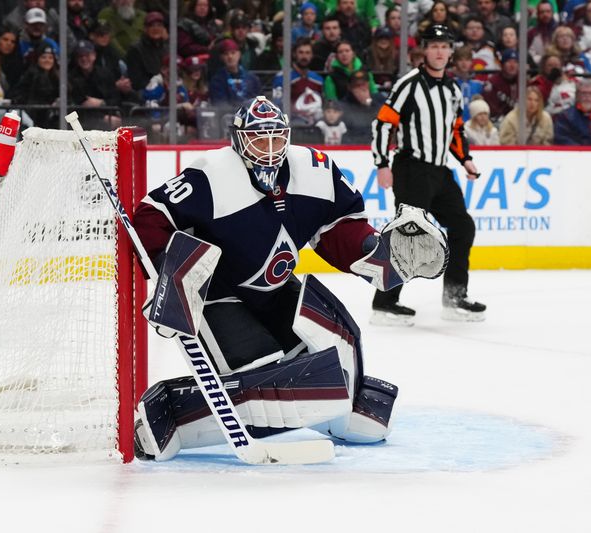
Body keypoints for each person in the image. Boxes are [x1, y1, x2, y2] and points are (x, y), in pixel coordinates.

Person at [131, 95, 447, 461]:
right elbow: (151, 218)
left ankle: (339, 407)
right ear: (237, 138)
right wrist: (172, 278)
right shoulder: (211, 174)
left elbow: (337, 227)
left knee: (334, 358)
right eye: (258, 138)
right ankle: (168, 414)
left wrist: (373, 250)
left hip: (277, 290)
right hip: (219, 296)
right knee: (265, 383)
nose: (269, 149)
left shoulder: (314, 167)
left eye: (276, 138)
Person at [370, 24, 485, 324]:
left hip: (439, 171)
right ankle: (384, 304)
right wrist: (382, 163)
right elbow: (384, 123)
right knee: (407, 234)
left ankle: (454, 296)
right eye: (433, 46)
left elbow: (455, 130)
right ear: (424, 50)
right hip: (411, 168)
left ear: (450, 51)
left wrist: (466, 160)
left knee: (462, 227)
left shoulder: (452, 89)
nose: (439, 51)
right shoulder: (408, 84)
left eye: (444, 46)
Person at [271, 37, 324, 126]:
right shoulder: (282, 78)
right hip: (292, 126)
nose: (304, 56)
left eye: (307, 53)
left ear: (312, 55)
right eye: (301, 52)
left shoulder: (318, 79)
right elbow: (277, 106)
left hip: (316, 127)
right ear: (294, 54)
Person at [208, 38, 260, 106]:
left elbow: (259, 101)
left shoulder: (252, 79)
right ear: (221, 57)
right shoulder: (217, 80)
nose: (230, 57)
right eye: (226, 54)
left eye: (233, 53)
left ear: (239, 54)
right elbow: (220, 105)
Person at [124, 10, 167, 93]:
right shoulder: (135, 49)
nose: (156, 29)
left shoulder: (167, 48)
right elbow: (136, 82)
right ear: (145, 29)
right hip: (146, 93)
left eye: (159, 25)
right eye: (152, 26)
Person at [482, 48, 519, 124]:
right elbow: (491, 109)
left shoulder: (523, 82)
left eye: (515, 62)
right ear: (502, 64)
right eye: (509, 62)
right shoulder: (492, 82)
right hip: (498, 122)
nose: (512, 65)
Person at [450, 45, 484, 121]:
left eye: (467, 60)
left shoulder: (478, 84)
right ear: (455, 62)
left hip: (473, 126)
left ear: (471, 62)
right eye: (460, 60)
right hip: (454, 125)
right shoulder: (449, 82)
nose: (464, 63)